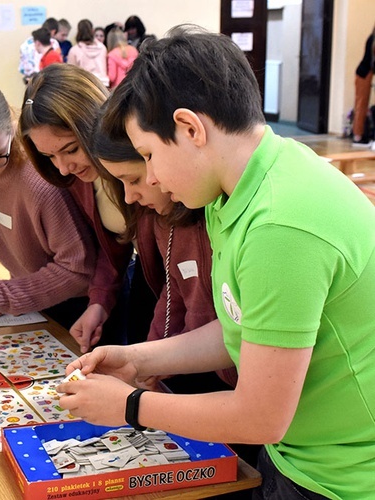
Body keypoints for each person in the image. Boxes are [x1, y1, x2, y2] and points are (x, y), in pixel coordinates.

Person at [58, 26, 375, 500]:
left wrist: (131, 406)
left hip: (341, 477)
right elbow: (246, 330)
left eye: (149, 155)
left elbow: (261, 416)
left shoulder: (279, 224)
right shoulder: (242, 188)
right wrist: (139, 358)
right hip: (299, 454)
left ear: (190, 129)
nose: (155, 179)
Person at [90, 123, 238, 395]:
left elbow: (237, 331)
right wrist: (146, 357)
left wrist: (147, 361)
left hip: (235, 379)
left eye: (134, 180)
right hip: (209, 367)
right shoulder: (165, 221)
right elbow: (175, 295)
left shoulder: (227, 219)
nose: (128, 196)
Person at [0, 80, 97, 329]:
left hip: (82, 308)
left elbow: (80, 269)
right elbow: (26, 249)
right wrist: (9, 295)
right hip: (41, 301)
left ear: (12, 132)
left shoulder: (40, 182)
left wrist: (12, 293)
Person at [20, 64, 142, 354]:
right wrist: (98, 302)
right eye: (49, 156)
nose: (63, 168)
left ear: (94, 124)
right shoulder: (78, 178)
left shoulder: (138, 161)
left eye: (71, 149)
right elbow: (112, 246)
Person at [67, 19, 109, 88]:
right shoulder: (102, 48)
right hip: (103, 85)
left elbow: (71, 73)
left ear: (78, 32)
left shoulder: (74, 50)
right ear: (92, 31)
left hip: (85, 86)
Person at [352, 23, 375, 146]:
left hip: (365, 73)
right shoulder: (373, 40)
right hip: (363, 74)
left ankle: (359, 134)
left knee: (362, 105)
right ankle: (357, 136)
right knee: (361, 105)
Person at [19, 17, 60, 84]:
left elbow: (53, 79)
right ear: (53, 31)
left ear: (37, 43)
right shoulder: (51, 50)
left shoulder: (51, 56)